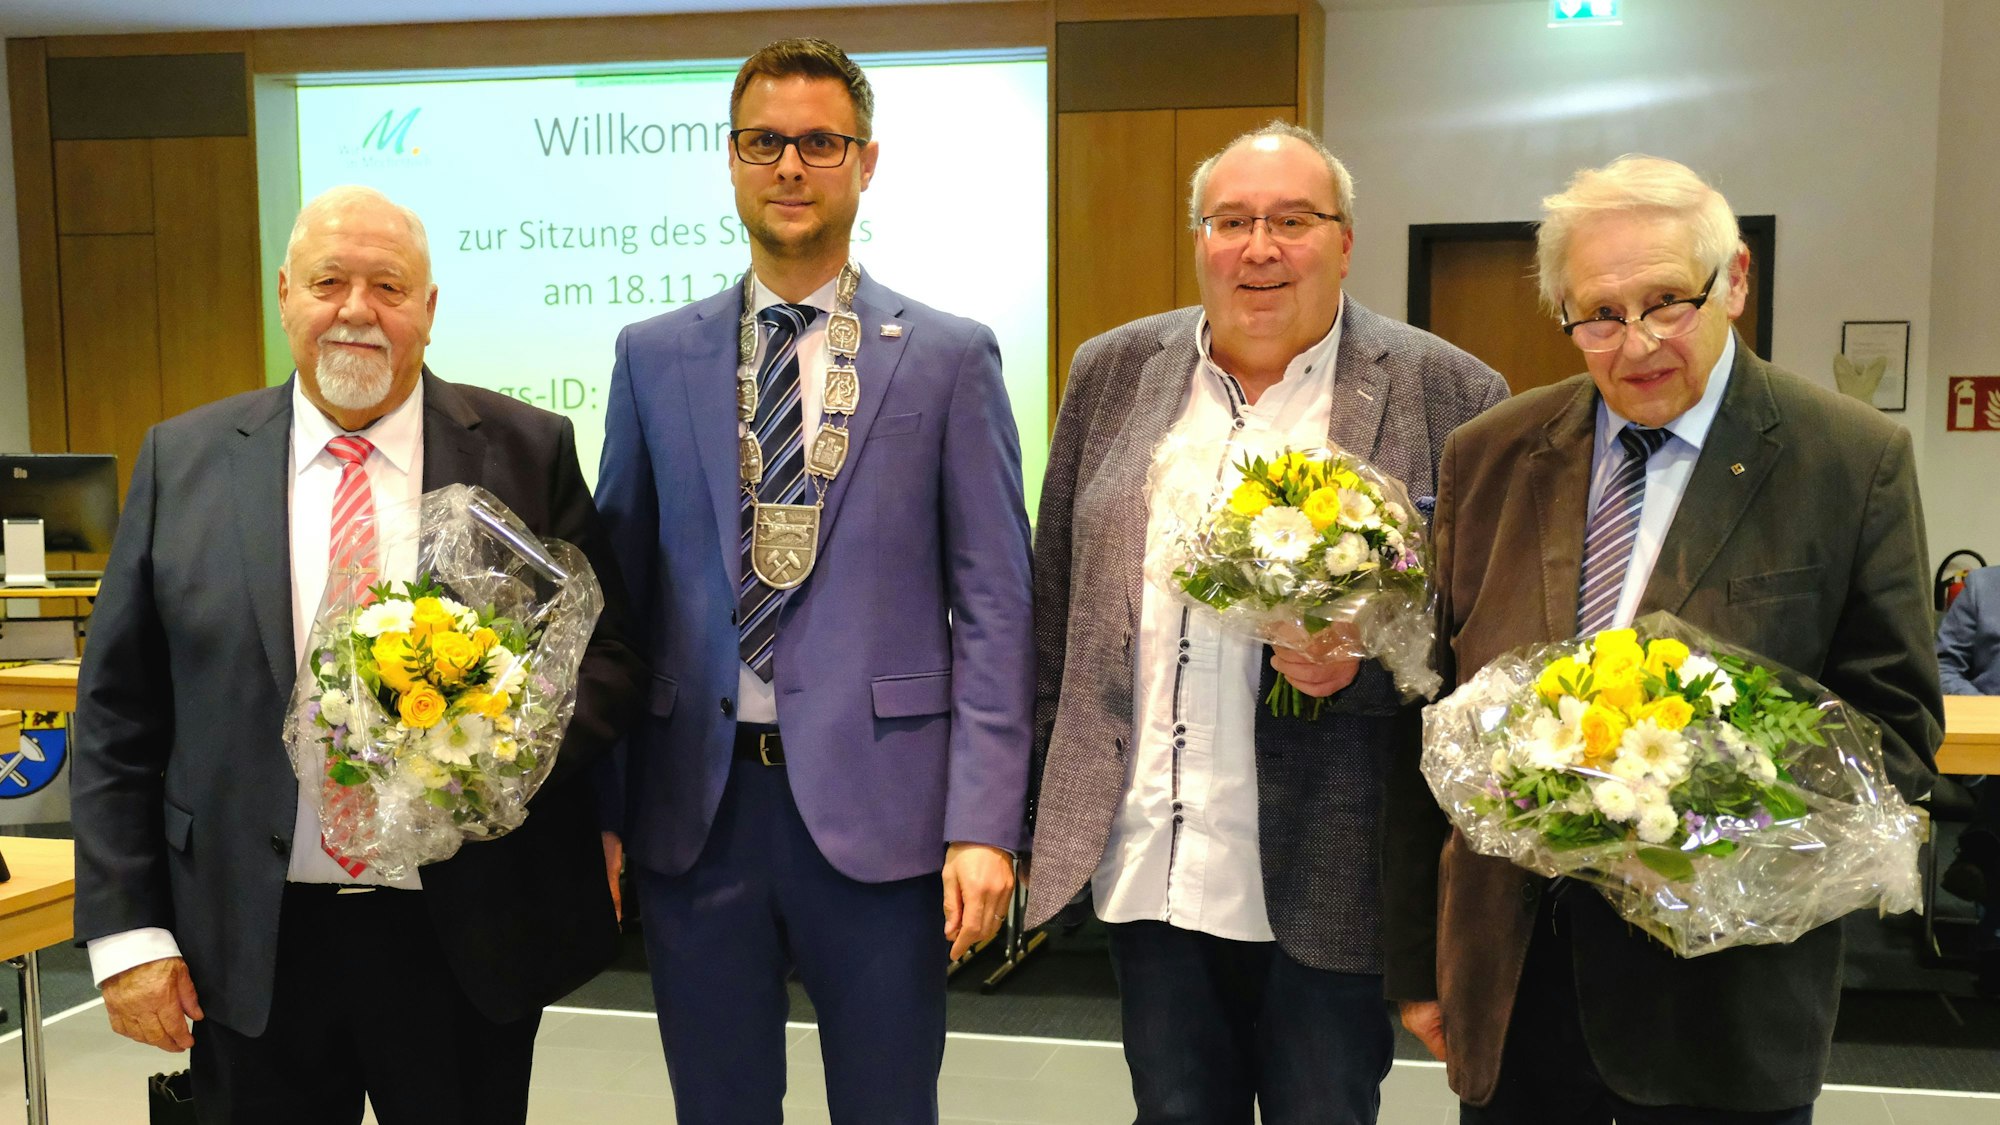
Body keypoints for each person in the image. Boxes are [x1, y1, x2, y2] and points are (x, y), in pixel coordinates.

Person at [1384, 155, 1942, 1122]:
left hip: (1723, 1012)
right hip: (1515, 997)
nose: (1635, 343)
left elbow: (1891, 741)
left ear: (1734, 281)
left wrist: (1697, 806)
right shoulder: (1491, 454)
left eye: (1666, 304)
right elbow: (1427, 720)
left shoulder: (1849, 461)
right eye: (1598, 313)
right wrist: (1416, 965)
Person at [70, 185, 644, 1124]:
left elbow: (607, 652)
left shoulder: (528, 449)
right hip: (246, 942)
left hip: (462, 936)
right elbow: (119, 716)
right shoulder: (184, 460)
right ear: (287, 293)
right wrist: (128, 935)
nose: (356, 309)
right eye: (330, 281)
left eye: (388, 285)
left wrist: (493, 740)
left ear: (427, 307)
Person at [1025, 121, 1507, 1124]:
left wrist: (1362, 665)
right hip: (1151, 862)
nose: (1258, 247)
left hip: (1332, 866)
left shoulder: (1446, 392)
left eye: (1291, 220)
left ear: (1342, 240)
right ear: (1198, 239)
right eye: (1231, 221)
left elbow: (1481, 647)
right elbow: (1054, 603)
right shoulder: (1110, 374)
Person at [592, 38, 1034, 1124]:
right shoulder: (653, 356)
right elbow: (616, 607)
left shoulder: (945, 356)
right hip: (698, 814)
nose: (790, 165)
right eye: (764, 143)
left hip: (885, 819)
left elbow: (994, 607)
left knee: (888, 1108)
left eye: (818, 143)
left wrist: (985, 823)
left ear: (865, 162)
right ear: (731, 161)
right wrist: (600, 812)